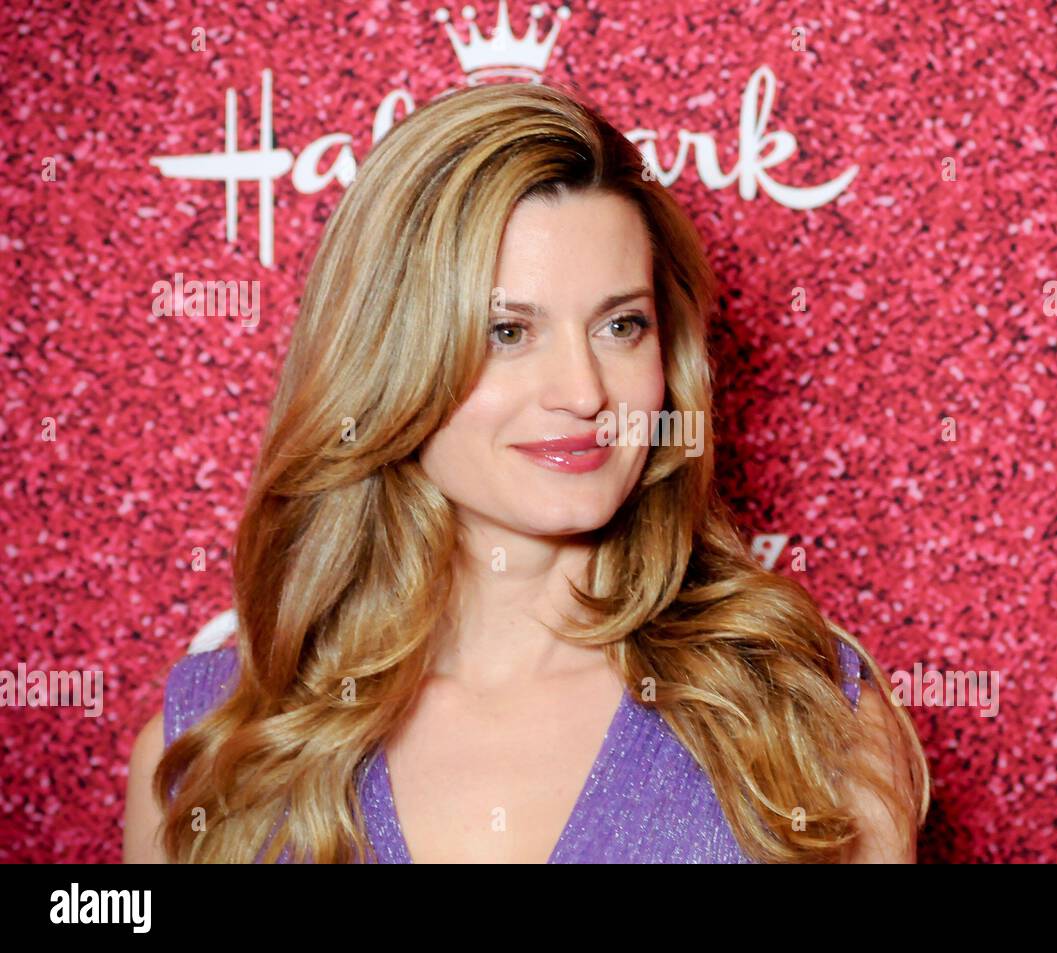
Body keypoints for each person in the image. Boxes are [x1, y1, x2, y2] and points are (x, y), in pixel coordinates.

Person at [123, 79, 930, 863]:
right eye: (508, 331)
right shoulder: (218, 745)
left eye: (621, 324)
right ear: (389, 358)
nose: (584, 392)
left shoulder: (805, 721)